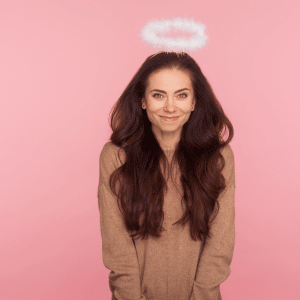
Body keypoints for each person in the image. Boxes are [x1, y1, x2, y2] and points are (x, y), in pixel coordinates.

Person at [97, 51, 235, 300]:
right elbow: (117, 247)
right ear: (143, 100)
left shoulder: (218, 157)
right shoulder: (116, 156)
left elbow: (220, 244)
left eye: (181, 95)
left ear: (194, 102)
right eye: (158, 95)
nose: (170, 107)